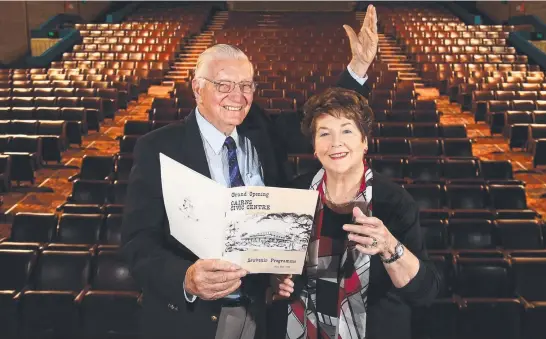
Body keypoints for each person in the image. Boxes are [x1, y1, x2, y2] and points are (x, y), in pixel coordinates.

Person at [120, 5, 379, 339]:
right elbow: (137, 241)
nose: (238, 96)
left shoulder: (260, 131)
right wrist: (185, 278)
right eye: (224, 84)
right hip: (190, 319)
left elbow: (321, 118)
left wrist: (357, 68)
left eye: (246, 85)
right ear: (198, 88)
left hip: (261, 313)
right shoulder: (158, 147)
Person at [267, 88, 441, 339]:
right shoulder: (294, 194)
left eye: (347, 130)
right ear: (314, 146)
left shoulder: (394, 201)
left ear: (365, 141)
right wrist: (277, 282)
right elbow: (272, 273)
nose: (336, 142)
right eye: (324, 133)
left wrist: (389, 247)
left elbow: (425, 292)